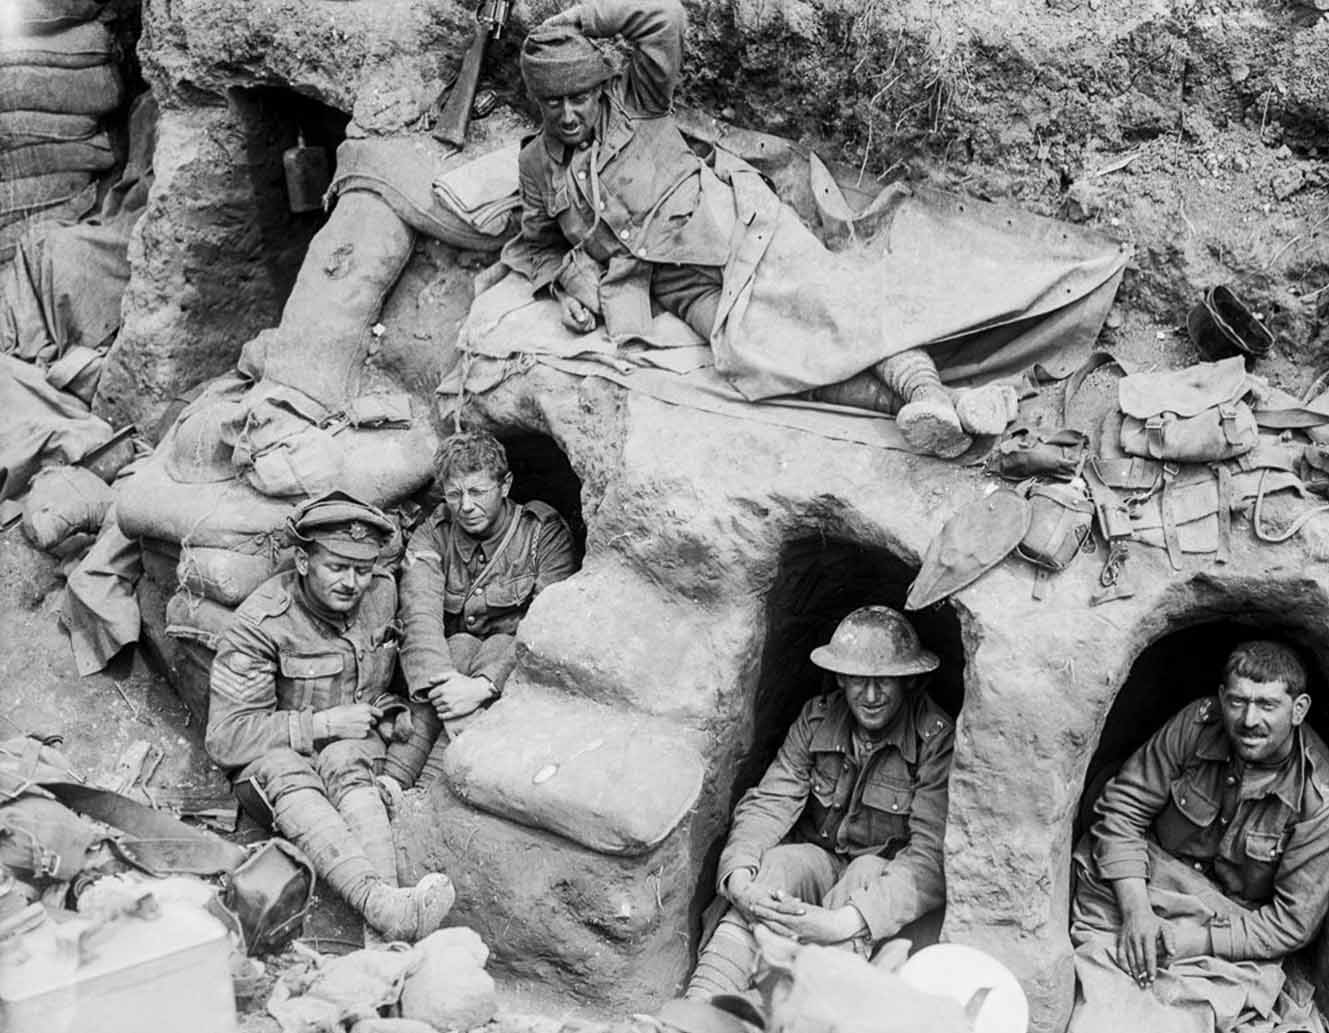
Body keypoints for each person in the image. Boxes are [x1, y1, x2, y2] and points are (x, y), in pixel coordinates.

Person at [483, 0, 1021, 460]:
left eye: (579, 97)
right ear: (538, 103)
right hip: (669, 281)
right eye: (554, 103)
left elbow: (663, 14)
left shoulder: (637, 99)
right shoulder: (535, 164)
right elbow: (537, 245)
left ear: (600, 90)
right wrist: (563, 287)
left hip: (732, 226)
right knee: (755, 359)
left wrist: (578, 18)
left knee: (829, 304)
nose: (569, 113)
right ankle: (927, 411)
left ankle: (931, 389)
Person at [1066, 639, 1329, 1033]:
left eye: (1267, 705)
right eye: (1237, 701)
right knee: (1100, 970)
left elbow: (1291, 925)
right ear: (1221, 698)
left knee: (1185, 1007)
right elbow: (1122, 809)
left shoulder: (1319, 797)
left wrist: (1189, 941)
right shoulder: (1197, 725)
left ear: (1298, 709)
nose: (1248, 719)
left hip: (1227, 924)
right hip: (1149, 879)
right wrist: (1137, 909)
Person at [206, 491, 456, 943]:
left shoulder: (382, 594)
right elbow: (226, 738)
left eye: (361, 569)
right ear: (302, 562)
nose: (352, 582)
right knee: (289, 766)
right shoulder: (262, 623)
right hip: (277, 773)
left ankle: (388, 922)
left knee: (343, 756)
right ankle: (379, 905)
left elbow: (408, 658)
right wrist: (321, 725)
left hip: (355, 757)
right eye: (336, 568)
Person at [684, 606, 953, 998]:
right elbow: (770, 803)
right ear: (841, 677)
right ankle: (703, 1005)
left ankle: (793, 1014)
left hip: (877, 892)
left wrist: (844, 922)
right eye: (859, 680)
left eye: (886, 682)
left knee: (865, 870)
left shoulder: (934, 738)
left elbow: (928, 858)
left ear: (909, 681)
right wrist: (739, 877)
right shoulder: (817, 719)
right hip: (821, 865)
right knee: (777, 865)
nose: (872, 695)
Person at [384, 431, 578, 790]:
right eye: (454, 494)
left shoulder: (541, 533)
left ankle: (423, 787)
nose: (465, 506)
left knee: (494, 645)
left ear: (505, 485)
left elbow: (547, 626)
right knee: (457, 645)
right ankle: (391, 783)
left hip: (508, 672)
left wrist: (484, 686)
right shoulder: (435, 532)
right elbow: (419, 613)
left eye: (477, 492)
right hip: (447, 672)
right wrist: (447, 687)